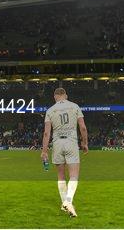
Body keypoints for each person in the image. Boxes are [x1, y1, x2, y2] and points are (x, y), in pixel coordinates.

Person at [41, 87, 88, 217]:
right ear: (65, 96)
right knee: (73, 175)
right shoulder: (75, 106)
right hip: (71, 142)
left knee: (61, 176)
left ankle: (64, 204)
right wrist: (84, 143)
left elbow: (46, 133)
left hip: (57, 143)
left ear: (55, 97)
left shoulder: (50, 110)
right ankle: (68, 201)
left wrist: (44, 151)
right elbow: (83, 128)